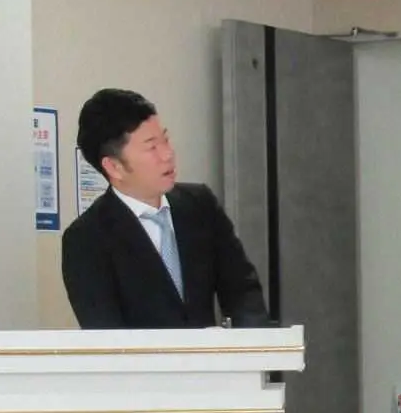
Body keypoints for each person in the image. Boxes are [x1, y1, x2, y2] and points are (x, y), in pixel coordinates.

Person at [62, 88, 269, 329]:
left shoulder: (200, 205)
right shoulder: (86, 239)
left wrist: (251, 343)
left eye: (166, 140)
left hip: (214, 354)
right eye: (152, 147)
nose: (168, 154)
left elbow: (242, 290)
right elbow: (106, 333)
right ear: (114, 167)